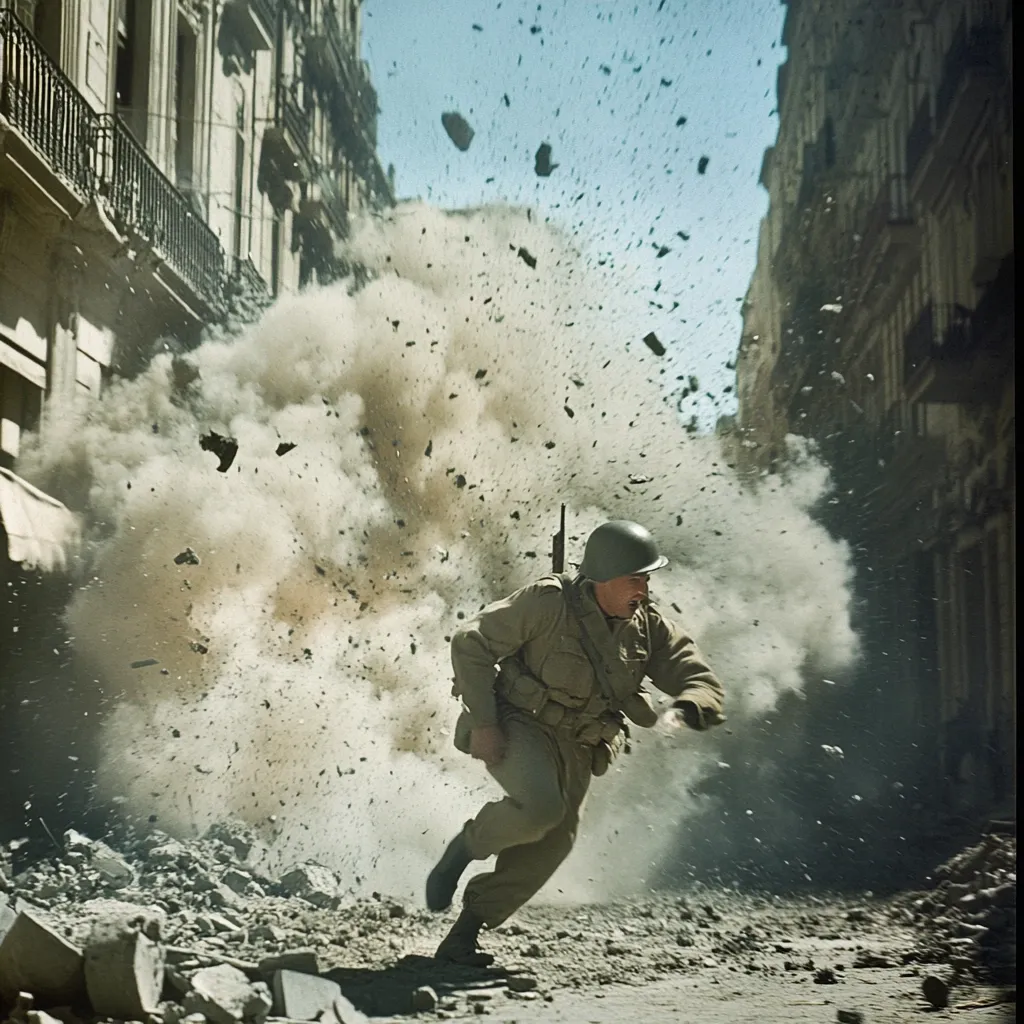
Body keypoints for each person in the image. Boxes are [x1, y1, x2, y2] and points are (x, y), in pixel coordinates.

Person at [425, 519, 726, 965]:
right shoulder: (547, 602)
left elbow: (696, 674)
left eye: (646, 578)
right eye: (634, 578)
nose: (643, 588)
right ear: (603, 576)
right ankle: (466, 847)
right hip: (519, 725)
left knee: (554, 840)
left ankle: (464, 935)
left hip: (581, 745)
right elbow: (471, 642)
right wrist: (484, 722)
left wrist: (688, 706)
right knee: (541, 809)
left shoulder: (648, 626)